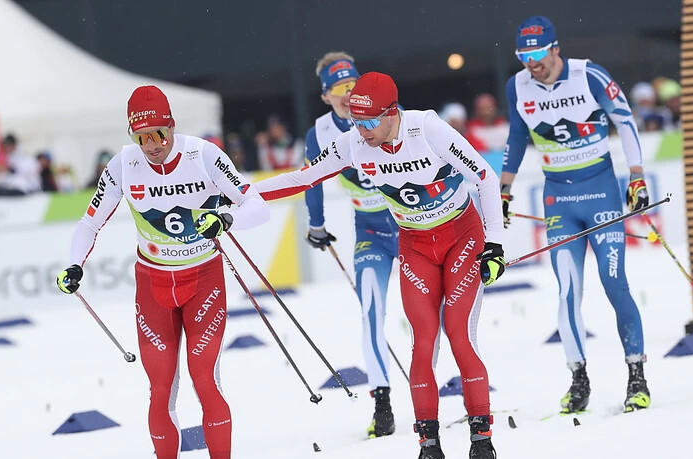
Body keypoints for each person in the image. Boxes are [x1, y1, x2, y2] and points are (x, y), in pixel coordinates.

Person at [255, 72, 505, 459]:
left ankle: (481, 439)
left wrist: (494, 245)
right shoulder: (354, 142)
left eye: (370, 122)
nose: (362, 131)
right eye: (356, 122)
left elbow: (485, 178)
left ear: (392, 113)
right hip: (416, 245)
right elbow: (304, 179)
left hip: (461, 237)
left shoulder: (428, 128)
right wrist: (235, 195)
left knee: (459, 334)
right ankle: (429, 443)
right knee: (422, 343)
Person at [55, 85, 269, 459]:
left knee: (205, 380)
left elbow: (257, 205)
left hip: (202, 280)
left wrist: (225, 218)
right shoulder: (123, 164)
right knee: (161, 388)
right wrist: (75, 264)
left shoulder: (203, 155)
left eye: (158, 134)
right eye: (141, 137)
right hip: (153, 285)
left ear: (172, 126)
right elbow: (89, 224)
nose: (152, 145)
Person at [502, 16, 652, 415]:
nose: (531, 65)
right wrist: (504, 187)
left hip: (600, 191)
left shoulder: (589, 75)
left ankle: (636, 375)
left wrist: (637, 176)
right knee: (568, 290)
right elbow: (517, 136)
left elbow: (625, 120)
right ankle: (578, 378)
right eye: (523, 57)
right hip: (559, 202)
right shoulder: (517, 85)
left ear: (555, 48)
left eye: (536, 55)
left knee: (614, 282)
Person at [303, 52, 399, 439]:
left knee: (432, 314)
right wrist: (316, 225)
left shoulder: (389, 114)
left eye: (351, 86)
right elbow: (312, 182)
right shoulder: (320, 133)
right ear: (325, 96)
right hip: (371, 231)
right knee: (371, 313)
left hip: (411, 226)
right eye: (337, 89)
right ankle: (383, 401)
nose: (346, 95)